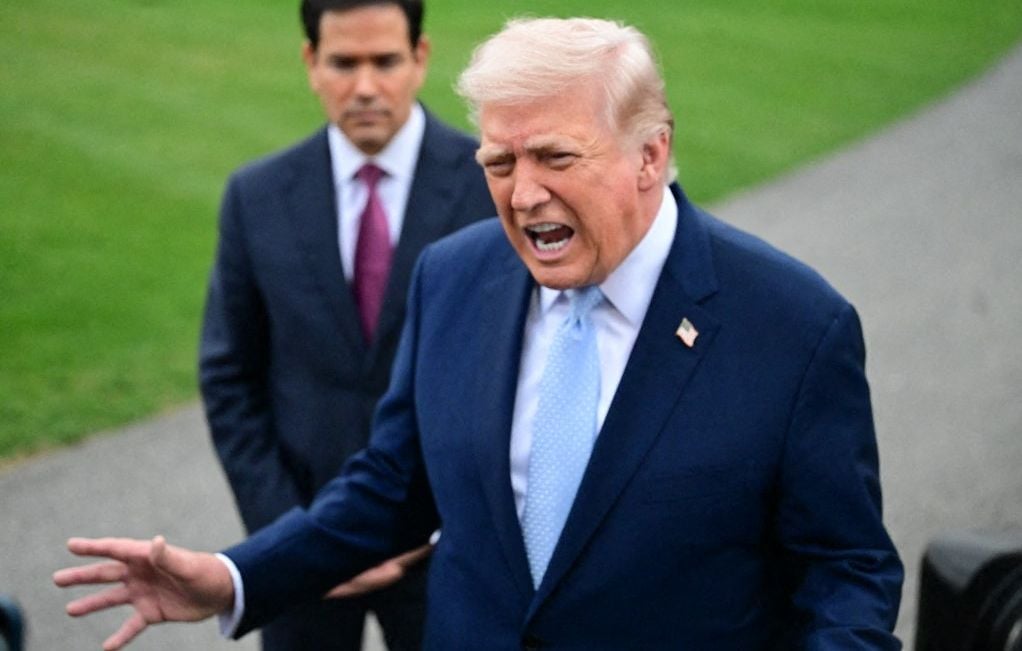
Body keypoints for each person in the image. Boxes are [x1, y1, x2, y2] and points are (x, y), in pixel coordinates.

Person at [55, 16, 904, 650]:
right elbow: (392, 484)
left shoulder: (795, 325)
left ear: (650, 154)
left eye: (555, 158)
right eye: (500, 163)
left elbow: (849, 572)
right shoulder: (454, 277)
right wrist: (235, 575)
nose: (523, 194)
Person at [197, 0, 493, 649]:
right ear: (311, 62)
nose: (364, 86)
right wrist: (298, 538)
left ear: (420, 58)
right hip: (301, 555)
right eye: (343, 63)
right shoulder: (255, 196)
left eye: (384, 61)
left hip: (449, 553)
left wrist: (433, 525)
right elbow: (229, 378)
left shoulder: (492, 185)